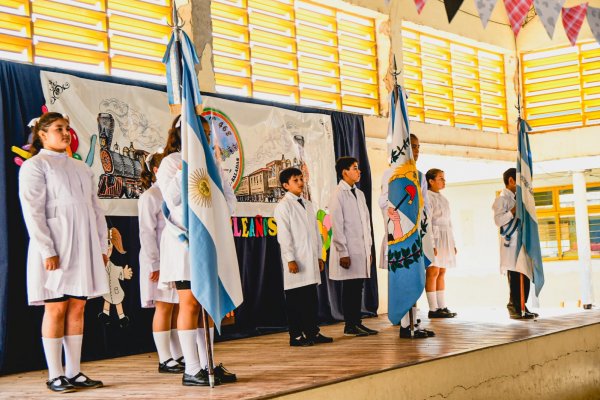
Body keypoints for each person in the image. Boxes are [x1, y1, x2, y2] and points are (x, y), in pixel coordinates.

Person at [19, 112, 107, 392]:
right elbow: (33, 211)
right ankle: (55, 373)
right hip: (58, 244)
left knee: (78, 306)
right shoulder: (35, 166)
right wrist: (47, 249)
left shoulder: (80, 167)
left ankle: (74, 370)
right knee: (56, 307)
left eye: (68, 128)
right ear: (43, 134)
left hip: (83, 245)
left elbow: (95, 209)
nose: (66, 133)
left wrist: (102, 244)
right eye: (59, 128)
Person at [156, 115, 236, 386]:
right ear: (181, 134)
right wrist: (186, 167)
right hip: (184, 243)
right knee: (189, 302)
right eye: (195, 132)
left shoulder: (212, 162)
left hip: (208, 240)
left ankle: (207, 363)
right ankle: (191, 368)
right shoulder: (170, 163)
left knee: (207, 303)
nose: (202, 136)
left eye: (204, 132)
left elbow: (228, 198)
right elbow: (170, 198)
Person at [383, 134, 435, 339]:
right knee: (404, 276)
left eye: (418, 147)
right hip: (400, 233)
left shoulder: (419, 175)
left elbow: (425, 206)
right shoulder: (390, 174)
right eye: (412, 146)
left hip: (417, 234)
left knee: (415, 275)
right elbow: (383, 202)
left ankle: (414, 321)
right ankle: (406, 324)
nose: (416, 151)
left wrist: (426, 232)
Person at [274, 167, 333, 347]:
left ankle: (312, 332)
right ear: (285, 185)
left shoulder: (307, 204)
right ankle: (296, 336)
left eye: (301, 179)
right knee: (296, 300)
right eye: (295, 180)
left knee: (310, 299)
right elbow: (284, 235)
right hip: (296, 260)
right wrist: (290, 258)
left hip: (310, 259)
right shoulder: (283, 206)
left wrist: (319, 256)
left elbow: (315, 233)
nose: (300, 183)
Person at [138, 152, 184, 374]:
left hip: (174, 258)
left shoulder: (175, 193)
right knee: (163, 307)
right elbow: (146, 232)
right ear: (157, 170)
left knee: (176, 307)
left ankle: (178, 354)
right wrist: (154, 263)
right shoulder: (151, 196)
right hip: (158, 260)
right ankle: (164, 358)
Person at [329, 157, 377, 337]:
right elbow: (337, 224)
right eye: (355, 168)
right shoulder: (338, 194)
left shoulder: (360, 193)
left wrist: (369, 248)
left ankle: (357, 322)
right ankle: (350, 325)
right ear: (344, 172)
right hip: (348, 250)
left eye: (358, 168)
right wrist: (342, 251)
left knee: (358, 287)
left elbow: (366, 224)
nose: (359, 171)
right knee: (351, 288)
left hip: (361, 249)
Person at [493, 168, 537, 320]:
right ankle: (514, 307)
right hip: (511, 243)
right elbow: (498, 221)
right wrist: (513, 211)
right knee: (515, 274)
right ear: (511, 180)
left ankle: (522, 305)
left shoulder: (520, 198)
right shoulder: (501, 199)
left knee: (525, 273)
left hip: (523, 241)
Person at [425, 168, 457, 319]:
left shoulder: (444, 199)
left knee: (442, 271)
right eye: (440, 178)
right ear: (431, 181)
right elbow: (428, 222)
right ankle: (433, 308)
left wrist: (453, 243)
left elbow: (449, 222)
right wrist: (431, 244)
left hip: (446, 236)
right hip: (436, 236)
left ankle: (442, 306)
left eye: (444, 178)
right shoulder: (428, 197)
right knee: (433, 271)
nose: (444, 181)